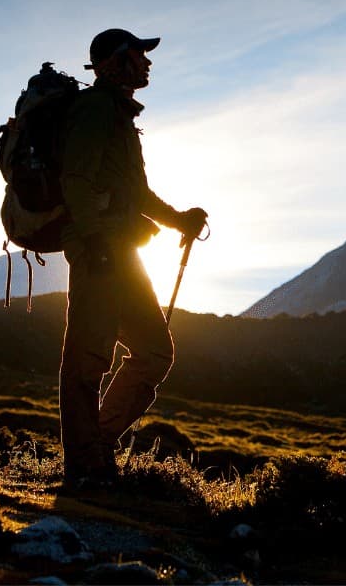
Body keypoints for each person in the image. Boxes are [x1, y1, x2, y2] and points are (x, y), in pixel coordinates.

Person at [58, 28, 208, 489]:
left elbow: (135, 192)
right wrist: (94, 242)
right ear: (111, 64)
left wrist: (178, 219)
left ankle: (96, 449)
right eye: (137, 55)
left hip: (121, 251)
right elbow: (76, 180)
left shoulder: (118, 116)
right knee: (88, 359)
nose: (146, 62)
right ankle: (88, 463)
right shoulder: (96, 111)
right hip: (101, 252)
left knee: (154, 351)